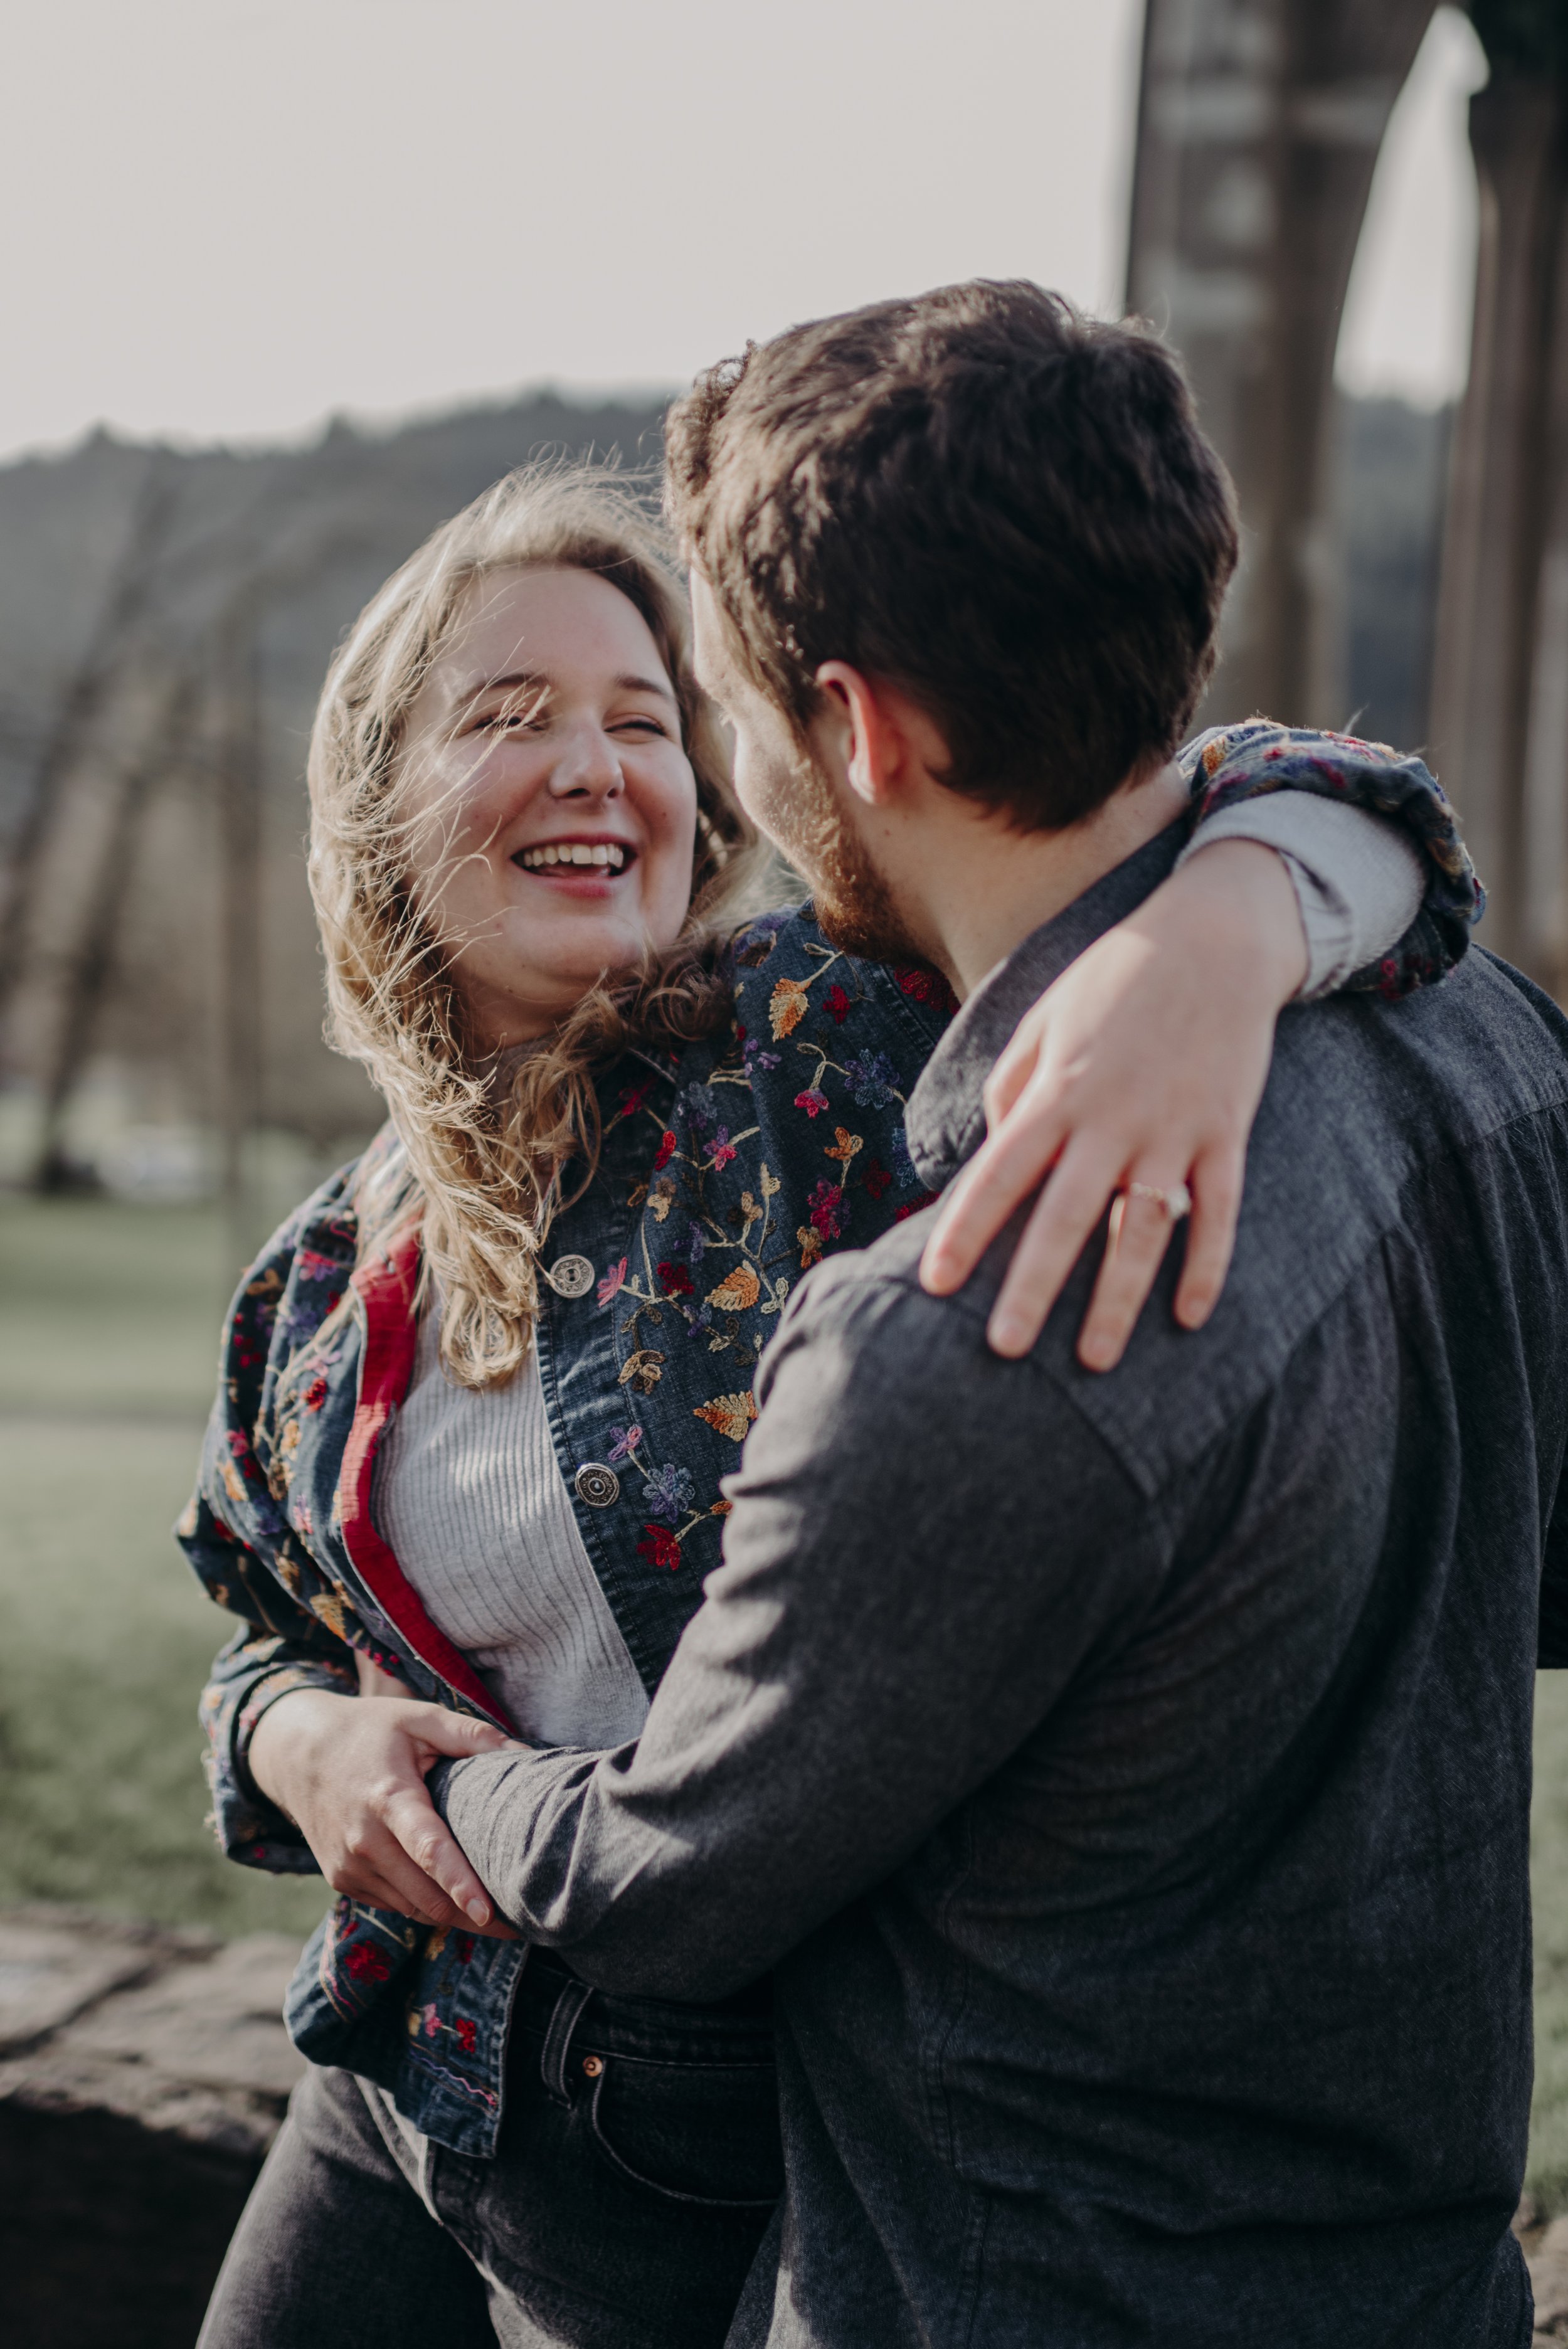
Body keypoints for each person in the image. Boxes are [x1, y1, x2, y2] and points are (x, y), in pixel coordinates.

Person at [184, 445, 1471, 2349]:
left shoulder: (814, 1041)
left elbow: (1348, 804)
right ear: (377, 801)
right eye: (511, 715)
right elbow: (256, 1621)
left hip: (715, 2123)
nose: (596, 763)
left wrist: (1219, 937)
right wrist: (294, 1748)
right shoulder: (317, 1270)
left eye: (642, 717)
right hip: (400, 2070)